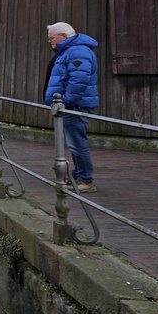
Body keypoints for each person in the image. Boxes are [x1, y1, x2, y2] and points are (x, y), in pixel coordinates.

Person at [45, 22, 99, 193]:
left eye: (52, 38)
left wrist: (64, 102)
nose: (50, 41)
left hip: (75, 106)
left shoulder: (77, 51)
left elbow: (78, 82)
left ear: (64, 36)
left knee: (77, 144)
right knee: (74, 143)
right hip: (71, 105)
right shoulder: (71, 51)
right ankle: (78, 175)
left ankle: (86, 180)